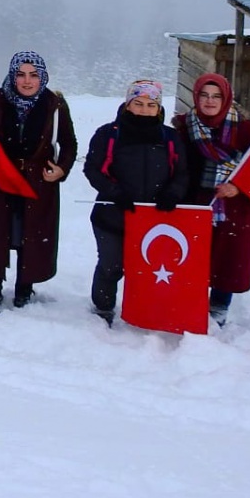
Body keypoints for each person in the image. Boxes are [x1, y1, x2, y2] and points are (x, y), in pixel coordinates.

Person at [0, 50, 77, 310]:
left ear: (42, 77)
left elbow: (69, 143)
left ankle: (24, 288)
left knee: (31, 234)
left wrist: (61, 169)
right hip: (0, 181)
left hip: (37, 182)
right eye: (21, 75)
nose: (27, 81)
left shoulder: (54, 105)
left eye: (33, 75)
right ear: (13, 76)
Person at [83, 80, 187, 325]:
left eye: (151, 105)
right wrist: (115, 193)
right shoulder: (108, 134)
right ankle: (103, 308)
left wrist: (172, 194)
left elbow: (182, 173)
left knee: (149, 267)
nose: (144, 110)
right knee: (112, 265)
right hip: (112, 215)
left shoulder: (170, 137)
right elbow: (92, 169)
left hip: (154, 218)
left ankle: (146, 310)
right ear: (128, 104)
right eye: (138, 103)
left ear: (159, 108)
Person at [173, 72, 250, 327]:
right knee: (193, 258)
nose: (210, 101)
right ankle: (190, 305)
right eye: (204, 95)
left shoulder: (246, 131)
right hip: (194, 202)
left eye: (216, 96)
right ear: (196, 96)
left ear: (226, 99)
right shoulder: (184, 127)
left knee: (227, 259)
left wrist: (238, 187)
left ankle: (219, 307)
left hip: (232, 207)